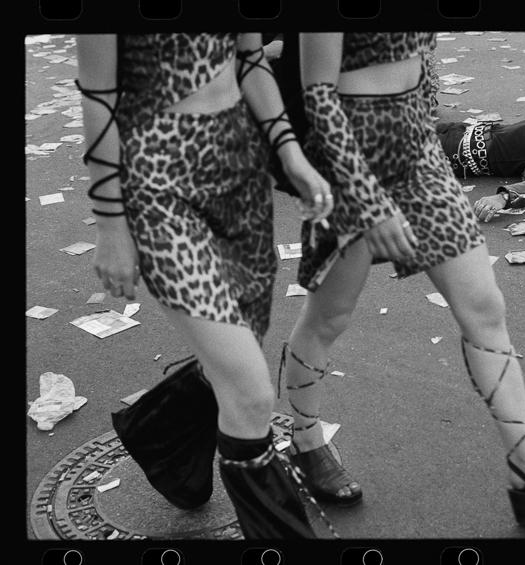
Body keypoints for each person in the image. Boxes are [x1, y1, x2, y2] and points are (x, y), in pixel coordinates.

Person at [278, 31, 525, 525]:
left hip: (420, 151)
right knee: (329, 316)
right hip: (350, 158)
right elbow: (319, 97)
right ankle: (306, 442)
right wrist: (369, 199)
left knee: (485, 308)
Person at [75, 33, 335, 539]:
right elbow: (99, 96)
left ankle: (158, 435)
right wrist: (109, 221)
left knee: (240, 351)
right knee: (251, 392)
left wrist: (290, 153)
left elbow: (250, 58)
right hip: (159, 186)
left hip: (242, 170)